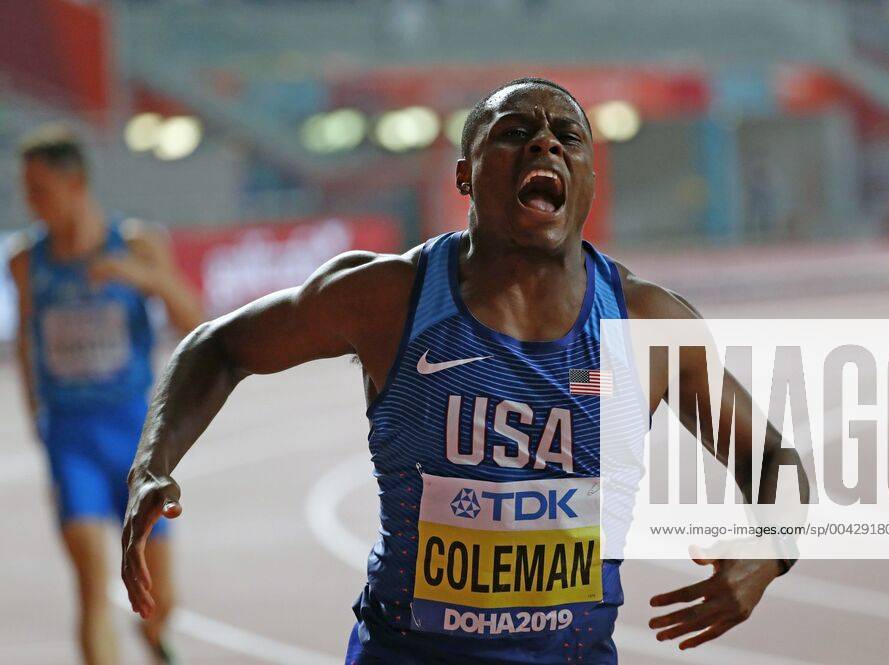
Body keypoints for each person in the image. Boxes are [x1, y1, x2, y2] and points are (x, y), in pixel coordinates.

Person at [121, 78, 803, 664]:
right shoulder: (390, 299)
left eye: (568, 134)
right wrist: (152, 461)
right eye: (516, 132)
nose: (546, 143)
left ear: (587, 176)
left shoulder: (647, 325)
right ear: (464, 176)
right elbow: (218, 345)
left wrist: (770, 552)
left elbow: (773, 455)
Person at [9, 125, 203, 665]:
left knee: (159, 599)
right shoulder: (26, 261)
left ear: (76, 184)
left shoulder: (137, 243)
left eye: (39, 189)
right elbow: (27, 344)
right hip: (69, 436)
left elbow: (196, 321)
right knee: (93, 585)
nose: (30, 202)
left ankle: (155, 640)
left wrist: (141, 277)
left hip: (137, 437)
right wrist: (38, 419)